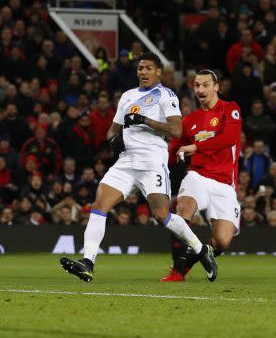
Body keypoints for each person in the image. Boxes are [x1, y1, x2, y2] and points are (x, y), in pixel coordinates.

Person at [59, 52, 217, 282]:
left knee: (162, 215)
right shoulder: (127, 96)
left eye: (148, 68)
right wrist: (114, 140)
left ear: (158, 72)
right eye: (140, 68)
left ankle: (201, 249)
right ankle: (88, 262)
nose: (143, 72)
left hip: (152, 161)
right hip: (126, 161)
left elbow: (176, 131)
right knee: (100, 204)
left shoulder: (166, 95)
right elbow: (113, 129)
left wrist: (145, 120)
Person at [161, 69, 242, 282]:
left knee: (222, 241)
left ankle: (195, 257)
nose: (200, 89)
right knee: (184, 206)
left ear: (217, 87)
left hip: (225, 183)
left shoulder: (230, 109)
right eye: (197, 85)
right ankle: (177, 271)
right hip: (198, 176)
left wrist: (195, 147)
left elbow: (229, 139)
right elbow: (173, 151)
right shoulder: (190, 121)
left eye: (206, 85)